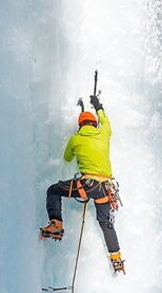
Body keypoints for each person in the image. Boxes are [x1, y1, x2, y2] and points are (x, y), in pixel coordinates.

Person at [39, 94, 124, 272]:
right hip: (105, 189)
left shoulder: (76, 139)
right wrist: (98, 105)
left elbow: (67, 158)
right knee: (105, 223)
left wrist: (79, 143)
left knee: (53, 191)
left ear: (80, 125)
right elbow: (106, 122)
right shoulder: (103, 133)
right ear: (94, 124)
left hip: (87, 185)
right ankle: (116, 259)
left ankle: (56, 224)